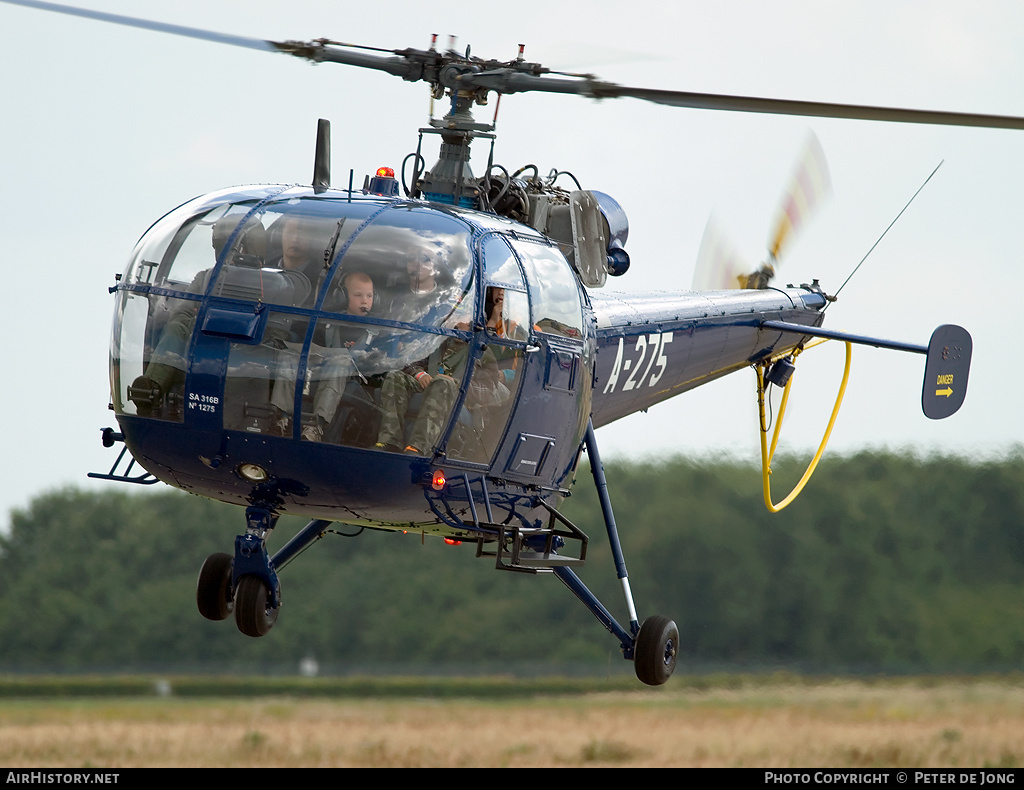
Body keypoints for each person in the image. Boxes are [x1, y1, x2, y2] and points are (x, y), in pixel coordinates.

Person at [301, 271, 379, 442]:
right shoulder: (329, 323)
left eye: (369, 296)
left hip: (359, 382)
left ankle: (316, 426)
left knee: (341, 370)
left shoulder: (379, 329)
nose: (365, 301)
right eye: (358, 295)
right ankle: (281, 417)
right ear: (343, 296)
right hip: (324, 373)